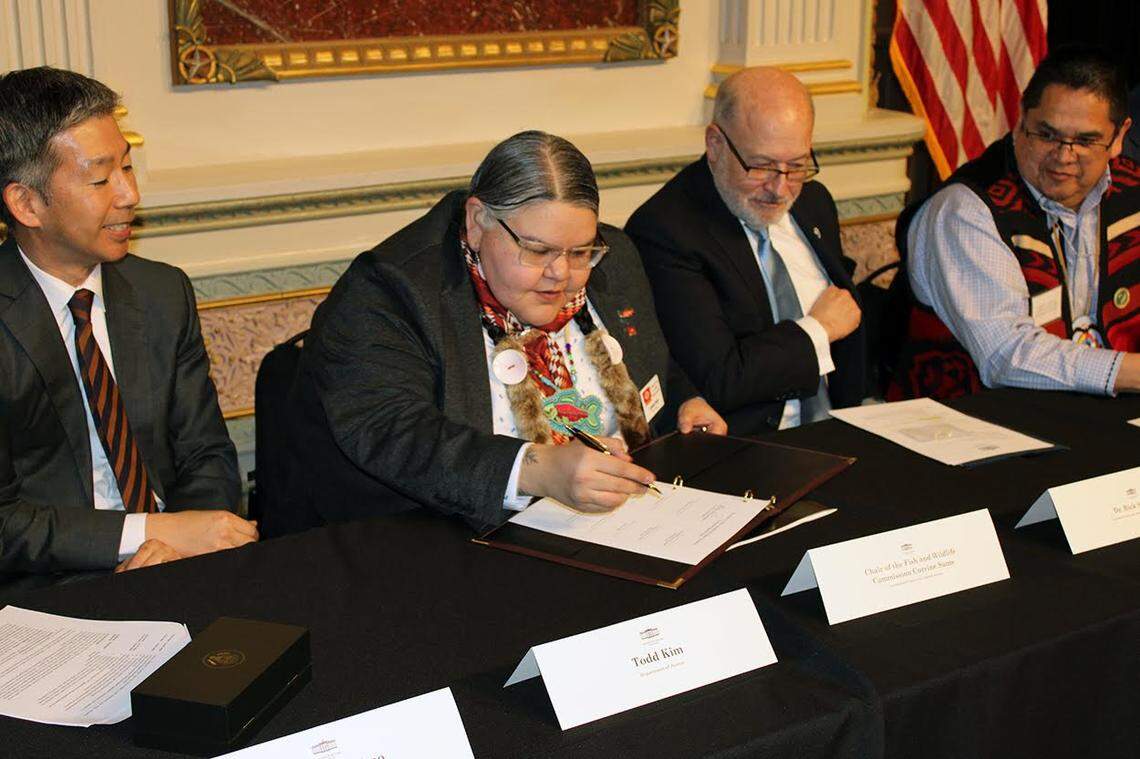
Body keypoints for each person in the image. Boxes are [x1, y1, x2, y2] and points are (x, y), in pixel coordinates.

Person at [277, 131, 726, 536]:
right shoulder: (387, 292)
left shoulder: (614, 257)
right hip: (420, 544)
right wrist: (533, 469)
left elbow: (645, 356)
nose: (562, 274)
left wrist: (684, 399)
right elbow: (396, 433)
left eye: (580, 251)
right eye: (537, 250)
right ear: (477, 222)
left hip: (617, 529)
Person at [0, 67, 256, 585]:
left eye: (128, 167)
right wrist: (147, 535)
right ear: (26, 204)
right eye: (100, 179)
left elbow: (206, 453)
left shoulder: (161, 293)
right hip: (49, 589)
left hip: (182, 561)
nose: (129, 194)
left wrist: (181, 543)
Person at [626, 67, 865, 434]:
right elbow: (720, 379)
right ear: (716, 145)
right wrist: (818, 330)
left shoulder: (814, 202)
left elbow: (851, 329)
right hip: (753, 447)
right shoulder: (665, 231)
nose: (780, 189)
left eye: (797, 166)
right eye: (762, 166)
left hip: (845, 429)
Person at [893, 45, 1140, 399]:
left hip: (1097, 414)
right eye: (1047, 134)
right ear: (1021, 118)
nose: (1064, 156)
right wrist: (1129, 372)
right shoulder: (967, 211)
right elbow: (1006, 355)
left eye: (1085, 141)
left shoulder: (1132, 190)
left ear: (1118, 138)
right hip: (972, 425)